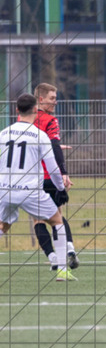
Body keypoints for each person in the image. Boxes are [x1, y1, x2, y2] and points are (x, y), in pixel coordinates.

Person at [0, 94, 76, 281]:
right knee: (57, 221)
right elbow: (53, 168)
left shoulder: (3, 133)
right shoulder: (40, 135)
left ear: (17, 110)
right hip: (29, 191)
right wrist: (60, 188)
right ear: (35, 109)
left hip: (5, 189)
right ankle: (62, 270)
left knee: (4, 225)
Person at [26, 83, 78, 271]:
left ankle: (53, 258)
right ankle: (69, 249)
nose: (55, 102)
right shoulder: (50, 120)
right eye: (52, 98)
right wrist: (63, 172)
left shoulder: (25, 120)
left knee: (38, 220)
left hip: (32, 178)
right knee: (57, 216)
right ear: (41, 99)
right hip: (49, 175)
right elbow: (53, 146)